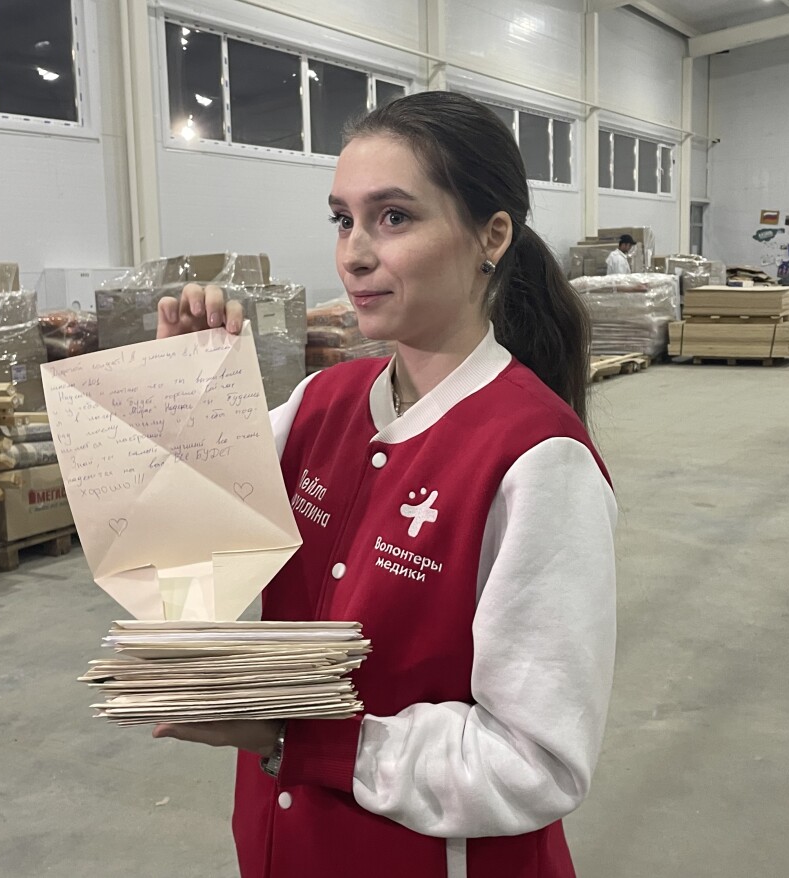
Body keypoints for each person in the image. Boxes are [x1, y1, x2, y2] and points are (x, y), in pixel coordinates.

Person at [151, 91, 617, 878]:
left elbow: (535, 763)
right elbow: (180, 578)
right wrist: (184, 409)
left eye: (394, 217)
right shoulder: (318, 404)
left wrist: (295, 734)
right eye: (344, 220)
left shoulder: (537, 460)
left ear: (491, 236)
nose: (355, 254)